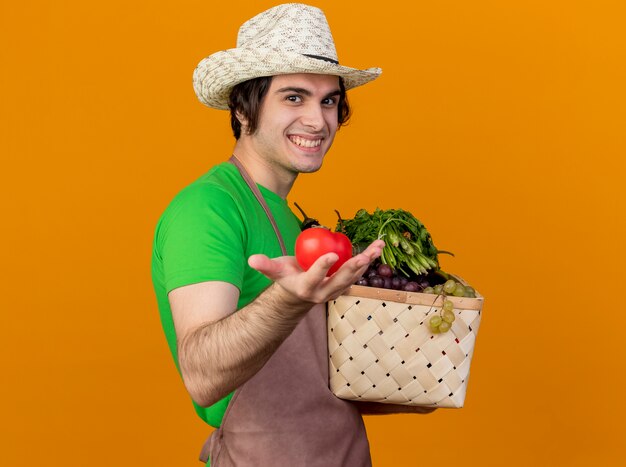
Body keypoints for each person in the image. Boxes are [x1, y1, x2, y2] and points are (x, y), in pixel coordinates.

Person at [151, 4, 434, 466]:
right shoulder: (209, 208)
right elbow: (201, 374)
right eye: (293, 97)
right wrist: (290, 299)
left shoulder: (300, 225)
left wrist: (409, 379)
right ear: (243, 108)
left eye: (328, 100)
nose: (319, 121)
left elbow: (318, 386)